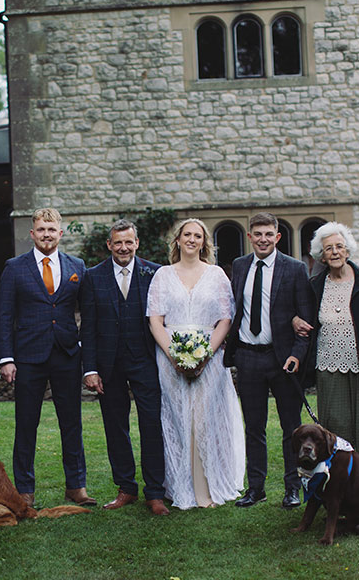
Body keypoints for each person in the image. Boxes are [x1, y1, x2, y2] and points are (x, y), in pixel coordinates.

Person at [0, 207, 96, 507]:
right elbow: (4, 316)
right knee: (26, 424)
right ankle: (24, 491)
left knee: (72, 423)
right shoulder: (14, 267)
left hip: (67, 354)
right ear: (33, 233)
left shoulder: (76, 265)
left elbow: (88, 316)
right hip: (28, 356)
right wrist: (6, 359)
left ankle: (76, 486)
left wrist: (87, 361)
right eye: (41, 230)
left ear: (60, 233)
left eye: (52, 230)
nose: (46, 235)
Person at [147, 218, 245, 509]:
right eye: (187, 235)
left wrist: (205, 355)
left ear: (204, 243)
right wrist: (175, 356)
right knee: (177, 420)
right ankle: (178, 486)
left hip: (210, 359)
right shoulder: (163, 275)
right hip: (170, 358)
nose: (192, 240)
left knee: (204, 419)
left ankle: (206, 489)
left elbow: (225, 319)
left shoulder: (216, 275)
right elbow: (155, 321)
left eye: (198, 236)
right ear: (177, 240)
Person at [224, 212, 315, 509]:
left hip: (283, 360)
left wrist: (296, 355)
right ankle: (256, 488)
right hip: (249, 357)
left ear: (277, 237)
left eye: (268, 234)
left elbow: (305, 321)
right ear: (249, 237)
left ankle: (292, 488)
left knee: (292, 428)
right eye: (257, 234)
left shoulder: (295, 269)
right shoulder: (239, 267)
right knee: (254, 427)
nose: (263, 239)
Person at [79, 219, 169, 515]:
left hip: (146, 360)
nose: (123, 247)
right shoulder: (93, 276)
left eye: (128, 242)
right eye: (118, 243)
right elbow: (88, 326)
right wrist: (90, 368)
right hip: (108, 365)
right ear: (109, 245)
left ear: (137, 243)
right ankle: (126, 488)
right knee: (115, 427)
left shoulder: (154, 273)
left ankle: (155, 491)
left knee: (151, 425)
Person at [294, 222, 359, 477]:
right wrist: (294, 319)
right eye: (328, 249)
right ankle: (340, 492)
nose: (334, 252)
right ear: (321, 255)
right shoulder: (315, 285)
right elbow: (300, 312)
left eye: (339, 247)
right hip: (328, 367)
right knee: (336, 432)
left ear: (348, 251)